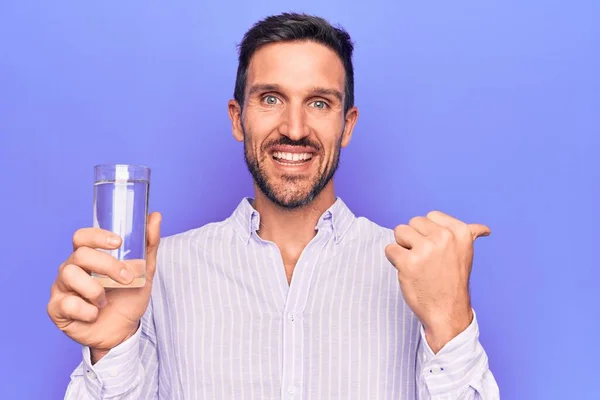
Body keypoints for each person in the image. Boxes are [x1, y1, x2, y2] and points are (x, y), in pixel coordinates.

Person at [48, 12, 500, 399]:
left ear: (347, 125)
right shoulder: (155, 274)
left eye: (320, 103)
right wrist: (111, 349)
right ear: (236, 118)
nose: (295, 128)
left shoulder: (418, 275)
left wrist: (450, 322)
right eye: (270, 98)